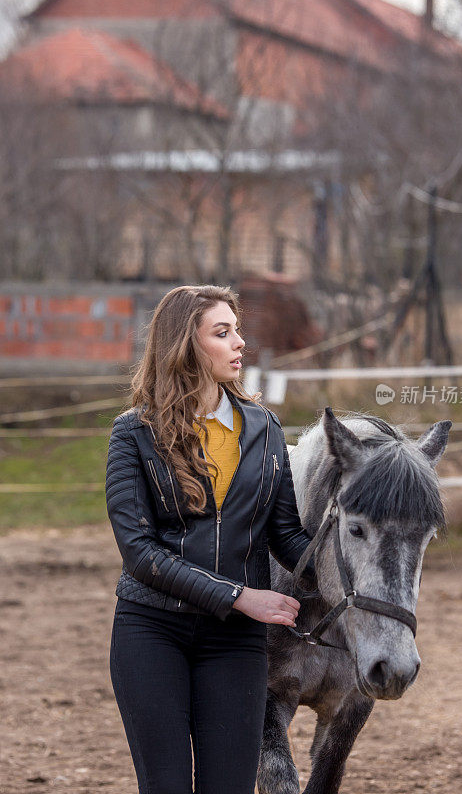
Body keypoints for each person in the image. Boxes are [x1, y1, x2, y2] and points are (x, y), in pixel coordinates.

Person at [105, 284, 316, 794]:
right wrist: (242, 596)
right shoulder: (134, 433)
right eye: (223, 333)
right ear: (186, 345)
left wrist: (354, 555)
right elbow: (141, 554)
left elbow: (287, 536)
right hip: (152, 631)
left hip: (235, 642)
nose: (240, 342)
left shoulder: (266, 429)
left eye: (237, 330)